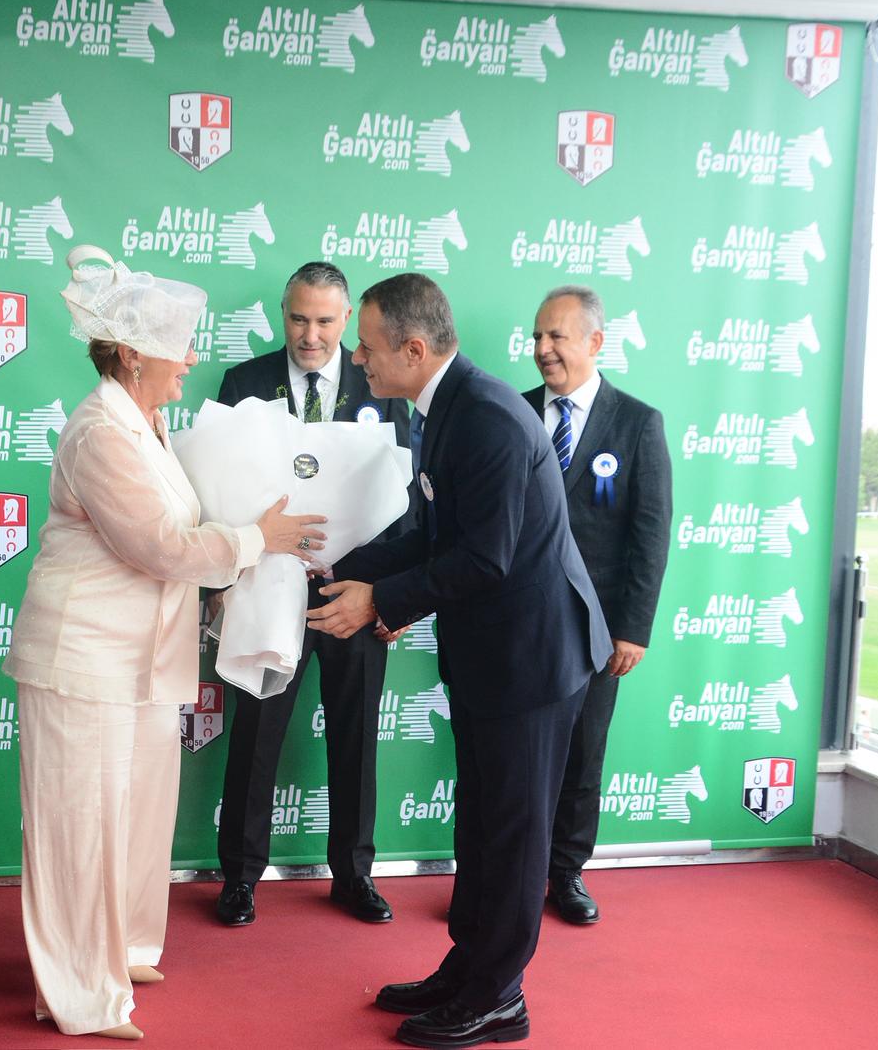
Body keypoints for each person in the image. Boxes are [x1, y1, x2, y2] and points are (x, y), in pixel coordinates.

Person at [3, 247, 326, 1041]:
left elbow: (180, 536)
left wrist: (242, 549)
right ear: (132, 356)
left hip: (142, 661)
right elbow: (159, 546)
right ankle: (81, 991)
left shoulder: (145, 423)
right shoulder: (100, 432)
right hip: (82, 661)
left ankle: (122, 951)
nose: (190, 361)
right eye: (178, 348)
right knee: (82, 830)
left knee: (137, 821)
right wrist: (257, 539)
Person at [308, 273, 610, 1049]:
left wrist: (379, 602)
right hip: (491, 657)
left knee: (511, 836)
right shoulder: (443, 408)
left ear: (413, 349)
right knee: (480, 825)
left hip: (533, 662)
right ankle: (468, 969)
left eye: (367, 348)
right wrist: (340, 568)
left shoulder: (487, 418)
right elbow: (432, 535)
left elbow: (485, 558)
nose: (357, 360)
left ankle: (499, 997)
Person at [212, 261, 413, 928]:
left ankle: (353, 874)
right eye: (299, 318)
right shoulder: (243, 384)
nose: (310, 334)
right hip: (268, 588)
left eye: (325, 321)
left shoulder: (382, 385)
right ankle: (240, 877)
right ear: (283, 312)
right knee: (255, 734)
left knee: (356, 736)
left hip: (356, 593)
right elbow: (219, 487)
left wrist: (391, 597)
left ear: (346, 319)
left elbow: (408, 508)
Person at [525, 285, 671, 925]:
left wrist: (632, 628)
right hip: (515, 623)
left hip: (597, 627)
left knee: (583, 754)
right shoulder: (512, 412)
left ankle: (566, 873)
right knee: (511, 759)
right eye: (537, 336)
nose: (543, 349)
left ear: (595, 342)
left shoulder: (637, 422)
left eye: (556, 336)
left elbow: (650, 532)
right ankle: (504, 877)